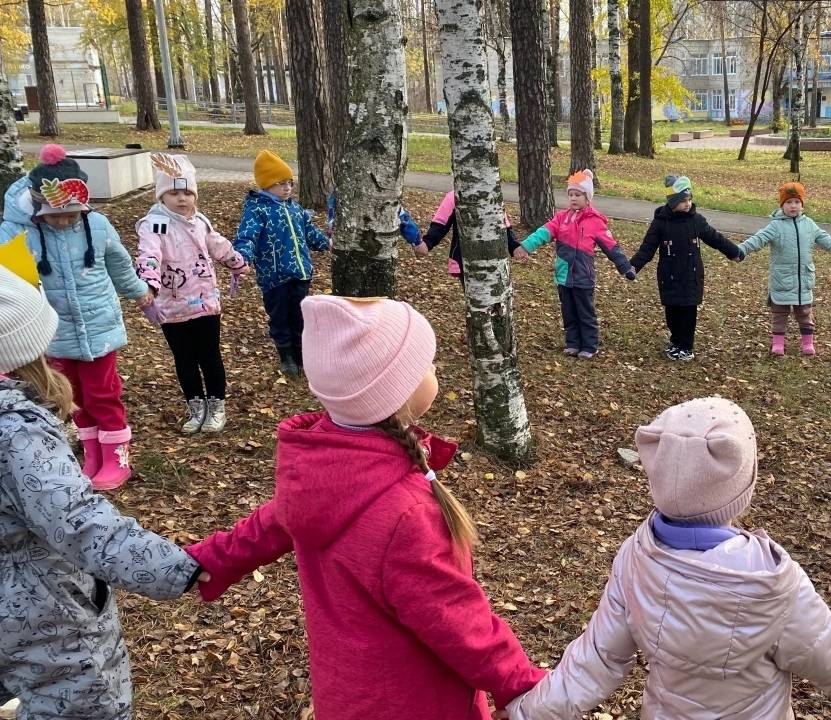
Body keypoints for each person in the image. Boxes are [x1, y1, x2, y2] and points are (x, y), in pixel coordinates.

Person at [187, 296, 545, 720]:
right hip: (417, 703)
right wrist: (521, 684)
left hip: (347, 696)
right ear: (398, 392)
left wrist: (212, 559)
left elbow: (274, 520)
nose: (435, 372)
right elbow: (456, 619)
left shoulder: (324, 468)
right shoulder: (405, 514)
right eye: (427, 365)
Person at [506, 397, 831, 720]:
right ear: (739, 485)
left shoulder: (637, 556)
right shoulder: (770, 582)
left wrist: (524, 711)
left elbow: (594, 661)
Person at [0, 264, 207, 720]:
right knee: (84, 705)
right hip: (44, 616)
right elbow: (79, 523)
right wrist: (179, 568)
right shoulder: (16, 433)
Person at [1, 144, 151, 490]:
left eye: (72, 214)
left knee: (103, 393)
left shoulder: (97, 226)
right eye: (56, 215)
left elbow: (119, 263)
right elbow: (8, 269)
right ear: (37, 209)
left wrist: (139, 291)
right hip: (56, 332)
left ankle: (117, 456)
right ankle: (93, 452)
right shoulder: (23, 233)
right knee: (72, 397)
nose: (65, 221)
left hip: (99, 328)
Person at [135, 153, 250, 433]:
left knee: (209, 355)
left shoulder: (200, 222)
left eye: (187, 192)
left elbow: (217, 244)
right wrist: (148, 284)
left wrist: (237, 262)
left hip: (205, 302)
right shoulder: (155, 225)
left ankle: (216, 405)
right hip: (172, 306)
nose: (181, 198)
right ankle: (195, 406)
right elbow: (149, 254)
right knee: (184, 358)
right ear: (161, 196)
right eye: (173, 192)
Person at [513, 169, 636, 359]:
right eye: (570, 194)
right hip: (563, 276)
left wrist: (625, 267)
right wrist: (526, 246)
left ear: (588, 198)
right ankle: (572, 343)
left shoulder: (595, 222)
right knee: (568, 312)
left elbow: (612, 247)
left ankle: (589, 345)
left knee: (585, 313)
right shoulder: (561, 219)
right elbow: (543, 233)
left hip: (583, 277)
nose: (573, 198)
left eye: (578, 194)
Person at [234, 150, 331, 378]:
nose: (287, 188)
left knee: (300, 315)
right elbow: (247, 236)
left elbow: (309, 232)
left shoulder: (295, 209)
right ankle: (286, 357)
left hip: (300, 273)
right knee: (279, 316)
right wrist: (242, 257)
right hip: (274, 275)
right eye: (280, 184)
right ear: (266, 185)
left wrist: (326, 243)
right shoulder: (257, 209)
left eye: (289, 183)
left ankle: (301, 355)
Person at [629, 175, 743, 361]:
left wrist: (734, 252)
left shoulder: (696, 221)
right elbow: (647, 248)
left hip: (691, 275)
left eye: (689, 199)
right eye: (683, 201)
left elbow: (715, 238)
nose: (687, 204)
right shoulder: (660, 222)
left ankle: (686, 347)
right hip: (669, 275)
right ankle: (676, 341)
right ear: (672, 202)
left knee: (688, 312)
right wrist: (633, 267)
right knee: (672, 311)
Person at [737, 182, 831, 356]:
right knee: (779, 312)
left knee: (804, 313)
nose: (793, 206)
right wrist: (739, 250)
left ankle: (807, 343)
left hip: (803, 279)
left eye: (797, 202)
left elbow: (825, 239)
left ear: (802, 205)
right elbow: (758, 239)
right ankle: (778, 343)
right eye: (789, 202)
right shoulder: (775, 226)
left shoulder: (809, 224)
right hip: (782, 279)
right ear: (782, 205)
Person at [414, 189, 520, 284]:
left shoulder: (493, 197)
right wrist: (427, 243)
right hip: (464, 261)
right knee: (476, 301)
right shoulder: (454, 196)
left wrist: (514, 247)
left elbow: (504, 226)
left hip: (494, 261)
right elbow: (440, 224)